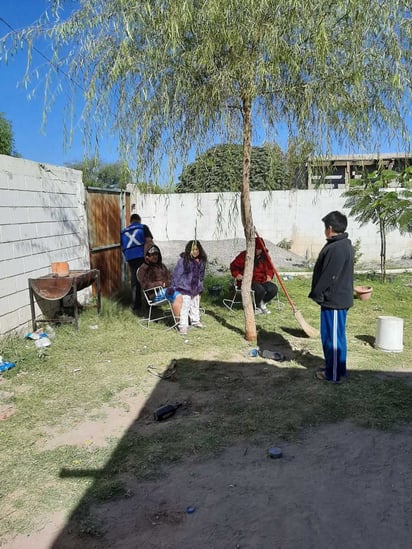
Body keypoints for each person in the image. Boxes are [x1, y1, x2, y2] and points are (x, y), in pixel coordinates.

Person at [309, 211, 354, 383]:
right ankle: (336, 368)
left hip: (334, 300)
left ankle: (333, 375)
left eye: (324, 227)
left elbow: (330, 276)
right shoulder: (341, 244)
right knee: (336, 336)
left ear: (329, 228)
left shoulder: (338, 248)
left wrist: (317, 293)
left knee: (333, 339)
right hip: (336, 299)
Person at [230, 237, 278, 314]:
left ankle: (262, 303)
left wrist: (269, 275)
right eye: (256, 248)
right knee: (260, 290)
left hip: (262, 280)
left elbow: (270, 268)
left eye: (260, 249)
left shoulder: (265, 257)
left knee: (273, 289)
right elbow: (233, 266)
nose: (258, 251)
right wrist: (237, 274)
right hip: (248, 280)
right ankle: (256, 307)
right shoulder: (245, 255)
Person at [137, 243, 182, 318]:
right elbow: (145, 285)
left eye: (156, 254)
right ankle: (180, 323)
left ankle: (188, 320)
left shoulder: (161, 266)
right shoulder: (143, 269)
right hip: (155, 294)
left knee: (184, 291)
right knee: (176, 294)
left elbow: (169, 278)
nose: (155, 256)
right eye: (152, 255)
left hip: (166, 290)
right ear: (147, 256)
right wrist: (159, 284)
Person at [171, 240, 207, 335]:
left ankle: (195, 321)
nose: (195, 251)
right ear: (188, 250)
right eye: (193, 249)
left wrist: (200, 286)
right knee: (185, 306)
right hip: (185, 287)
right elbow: (177, 274)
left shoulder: (201, 261)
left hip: (195, 288)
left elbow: (201, 275)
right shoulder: (184, 261)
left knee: (195, 304)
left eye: (197, 249)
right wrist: (173, 286)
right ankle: (183, 325)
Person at [121, 213, 153, 312]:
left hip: (131, 258)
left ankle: (136, 305)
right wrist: (147, 256)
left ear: (130, 221)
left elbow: (122, 247)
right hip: (141, 256)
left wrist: (128, 256)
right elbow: (148, 241)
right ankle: (151, 303)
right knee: (147, 279)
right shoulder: (143, 227)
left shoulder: (123, 231)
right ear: (139, 220)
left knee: (135, 281)